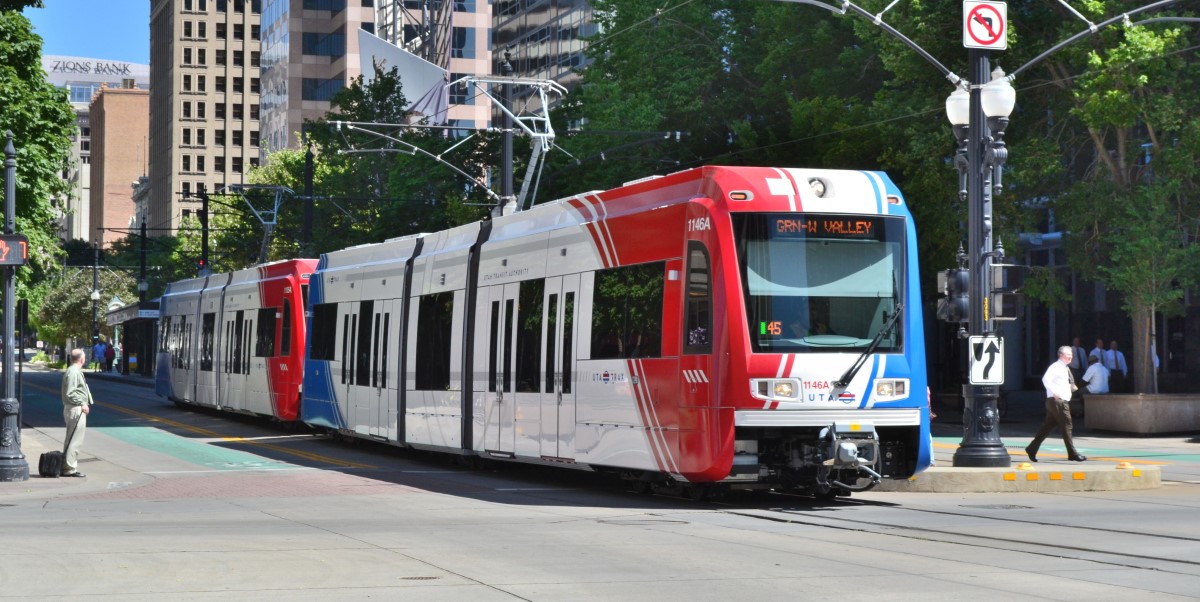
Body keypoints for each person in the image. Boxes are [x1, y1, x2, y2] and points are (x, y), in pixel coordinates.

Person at [1026, 346, 1087, 463]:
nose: (1071, 357)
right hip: (1058, 402)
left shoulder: (1064, 368)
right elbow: (1045, 379)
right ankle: (1072, 453)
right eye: (1068, 355)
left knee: (1047, 427)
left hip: (1056, 402)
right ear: (1061, 355)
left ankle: (1032, 448)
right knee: (1067, 426)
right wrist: (1054, 392)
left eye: (1071, 355)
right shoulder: (1055, 367)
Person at [60, 348, 94, 477]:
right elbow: (71, 392)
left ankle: (67, 466)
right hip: (75, 409)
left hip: (74, 408)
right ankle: (69, 468)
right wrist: (82, 403)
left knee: (72, 438)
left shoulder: (73, 370)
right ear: (81, 359)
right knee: (75, 440)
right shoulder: (74, 371)